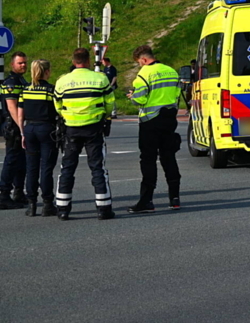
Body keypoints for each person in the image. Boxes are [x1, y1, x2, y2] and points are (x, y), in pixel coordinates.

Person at [54, 48, 116, 220]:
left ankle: (63, 208)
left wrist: (66, 116)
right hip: (94, 128)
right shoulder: (100, 79)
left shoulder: (62, 81)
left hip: (71, 128)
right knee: (98, 167)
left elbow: (57, 104)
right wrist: (106, 116)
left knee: (67, 168)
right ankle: (103, 209)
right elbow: (110, 102)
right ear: (88, 61)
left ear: (74, 62)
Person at [126, 45, 182, 213]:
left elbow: (141, 98)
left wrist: (132, 97)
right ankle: (174, 199)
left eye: (139, 63)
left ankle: (146, 201)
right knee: (169, 157)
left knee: (148, 160)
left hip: (150, 121)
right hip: (170, 119)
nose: (139, 66)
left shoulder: (144, 74)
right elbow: (178, 94)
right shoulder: (171, 71)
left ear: (143, 59)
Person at [16, 59, 59, 217]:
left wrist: (22, 133)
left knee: (31, 168)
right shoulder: (50, 90)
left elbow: (21, 115)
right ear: (47, 72)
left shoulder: (26, 90)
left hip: (29, 129)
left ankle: (32, 204)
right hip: (46, 129)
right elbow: (58, 110)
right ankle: (47, 203)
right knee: (46, 167)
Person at [0, 51, 29, 209]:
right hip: (13, 125)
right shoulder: (11, 82)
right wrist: (21, 128)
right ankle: (3, 194)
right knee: (11, 160)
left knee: (21, 160)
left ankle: (18, 192)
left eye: (24, 62)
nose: (23, 65)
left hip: (19, 124)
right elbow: (12, 107)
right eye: (20, 63)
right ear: (12, 64)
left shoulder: (20, 80)